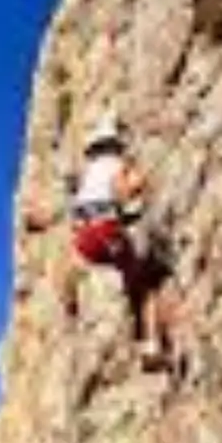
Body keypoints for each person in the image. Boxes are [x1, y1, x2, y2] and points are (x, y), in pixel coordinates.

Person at [64, 112, 184, 375]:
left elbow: (86, 206)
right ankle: (151, 348)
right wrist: (136, 185)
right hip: (106, 233)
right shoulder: (116, 163)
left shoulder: (88, 172)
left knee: (124, 272)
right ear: (114, 145)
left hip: (84, 240)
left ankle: (73, 302)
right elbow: (122, 192)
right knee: (147, 285)